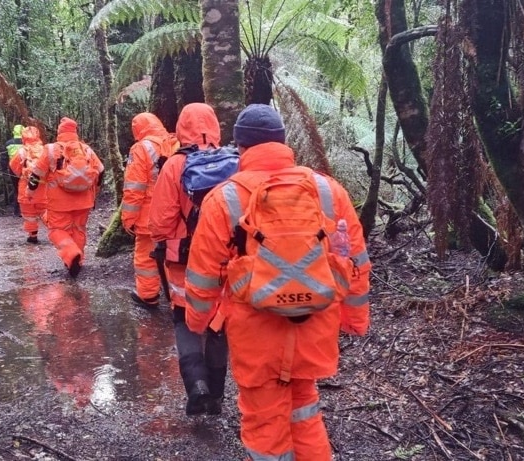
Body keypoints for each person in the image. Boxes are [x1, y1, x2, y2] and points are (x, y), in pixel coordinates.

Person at [184, 104, 371, 460]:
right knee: (304, 408)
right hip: (315, 324)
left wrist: (197, 322)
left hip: (256, 332)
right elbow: (356, 261)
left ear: (240, 147)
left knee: (263, 421)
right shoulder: (329, 191)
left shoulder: (224, 197)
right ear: (284, 142)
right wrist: (355, 319)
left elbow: (203, 273)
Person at [149, 103, 229, 416]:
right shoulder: (234, 160)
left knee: (185, 321)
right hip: (223, 260)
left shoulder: (175, 165)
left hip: (183, 260)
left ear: (181, 127)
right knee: (218, 323)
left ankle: (197, 386)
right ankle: (218, 396)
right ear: (215, 125)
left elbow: (159, 223)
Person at [27, 117, 104, 278]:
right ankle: (78, 260)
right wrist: (94, 192)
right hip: (84, 201)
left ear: (59, 132)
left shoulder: (50, 149)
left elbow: (36, 174)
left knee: (57, 230)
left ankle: (71, 254)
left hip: (59, 203)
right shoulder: (86, 150)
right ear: (75, 132)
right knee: (79, 229)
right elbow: (101, 170)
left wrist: (31, 192)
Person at [121, 112, 178, 309]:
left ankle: (148, 295)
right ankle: (178, 301)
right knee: (174, 257)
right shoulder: (176, 143)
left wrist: (128, 217)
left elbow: (134, 187)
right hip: (175, 215)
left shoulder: (141, 149)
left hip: (149, 216)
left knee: (146, 257)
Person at [9, 126, 47, 244]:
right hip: (44, 189)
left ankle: (32, 236)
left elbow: (14, 169)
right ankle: (57, 231)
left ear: (23, 138)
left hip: (25, 187)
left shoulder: (21, 152)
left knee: (29, 214)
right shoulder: (45, 150)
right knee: (46, 211)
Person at [1, 124, 24, 216]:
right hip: (25, 169)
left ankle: (17, 211)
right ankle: (27, 210)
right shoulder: (27, 142)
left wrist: (4, 170)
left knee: (16, 189)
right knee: (26, 189)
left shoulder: (8, 143)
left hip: (13, 169)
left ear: (14, 132)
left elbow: (3, 158)